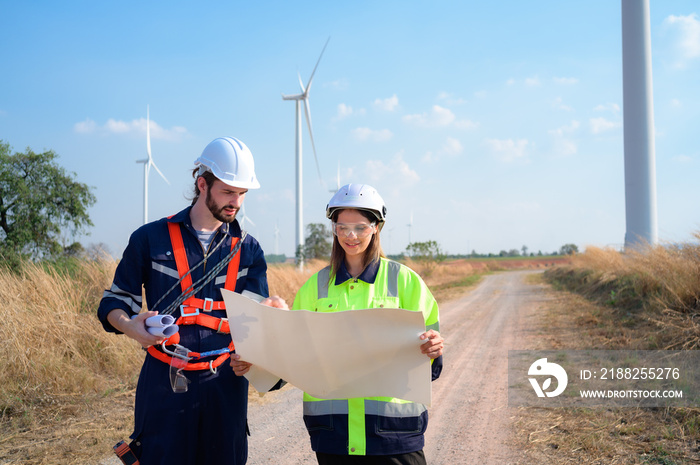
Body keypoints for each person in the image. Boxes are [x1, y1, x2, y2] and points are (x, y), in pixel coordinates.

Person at [97, 136, 286, 465]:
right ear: (203, 184)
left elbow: (254, 322)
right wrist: (131, 327)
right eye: (228, 191)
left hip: (226, 384)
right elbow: (114, 302)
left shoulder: (249, 250)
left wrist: (260, 344)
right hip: (165, 381)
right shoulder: (149, 239)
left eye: (242, 194)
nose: (236, 202)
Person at [292, 183, 444, 465]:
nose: (350, 235)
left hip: (394, 438)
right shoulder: (314, 287)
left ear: (376, 227)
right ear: (334, 228)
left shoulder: (406, 282)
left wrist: (434, 348)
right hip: (334, 437)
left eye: (360, 227)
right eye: (342, 226)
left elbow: (432, 366)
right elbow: (292, 353)